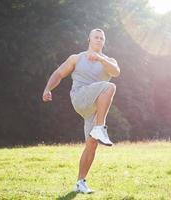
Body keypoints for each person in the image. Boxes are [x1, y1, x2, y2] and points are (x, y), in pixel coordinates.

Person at [42, 28, 120, 193]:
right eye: (95, 37)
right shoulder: (76, 58)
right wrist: (48, 89)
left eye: (101, 38)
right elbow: (58, 73)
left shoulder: (109, 60)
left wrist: (99, 58)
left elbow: (116, 72)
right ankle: (100, 128)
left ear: (104, 41)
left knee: (91, 144)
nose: (98, 40)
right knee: (109, 87)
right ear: (89, 39)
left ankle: (80, 183)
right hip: (79, 97)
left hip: (93, 108)